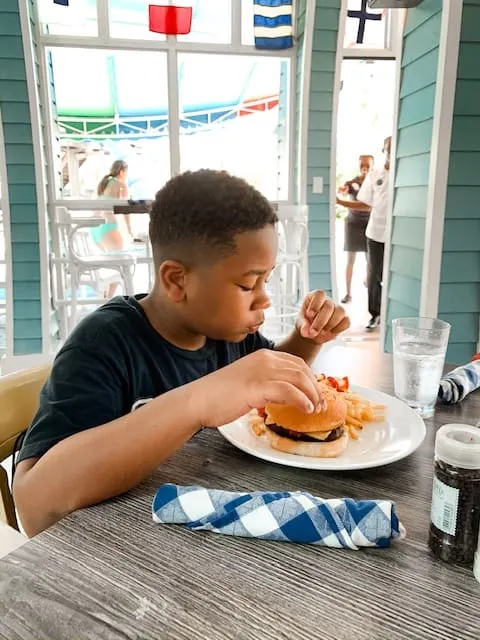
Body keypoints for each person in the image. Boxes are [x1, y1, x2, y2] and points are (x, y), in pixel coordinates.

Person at [13, 170, 350, 537]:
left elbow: (266, 381)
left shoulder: (226, 333)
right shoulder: (104, 344)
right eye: (248, 283)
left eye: (266, 279)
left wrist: (309, 338)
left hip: (198, 531)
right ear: (177, 280)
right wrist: (197, 402)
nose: (264, 297)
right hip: (114, 551)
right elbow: (34, 502)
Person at [356, 136, 391, 331]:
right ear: (383, 150)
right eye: (388, 149)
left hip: (397, 236)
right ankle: (375, 314)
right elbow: (364, 202)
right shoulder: (374, 174)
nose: (391, 152)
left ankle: (390, 313)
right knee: (373, 276)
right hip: (376, 232)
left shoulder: (403, 172)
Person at [336, 155, 374, 304]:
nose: (364, 166)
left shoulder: (373, 183)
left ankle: (369, 287)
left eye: (367, 164)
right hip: (352, 223)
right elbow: (344, 191)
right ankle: (348, 293)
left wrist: (341, 202)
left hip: (369, 223)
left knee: (370, 259)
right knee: (350, 260)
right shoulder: (351, 183)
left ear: (372, 165)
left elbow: (369, 205)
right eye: (362, 164)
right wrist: (341, 192)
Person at [94, 159, 133, 252]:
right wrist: (130, 230)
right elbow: (126, 210)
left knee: (111, 261)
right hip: (109, 226)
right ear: (121, 172)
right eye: (127, 172)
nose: (127, 175)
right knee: (121, 260)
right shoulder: (121, 185)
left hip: (96, 228)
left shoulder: (105, 183)